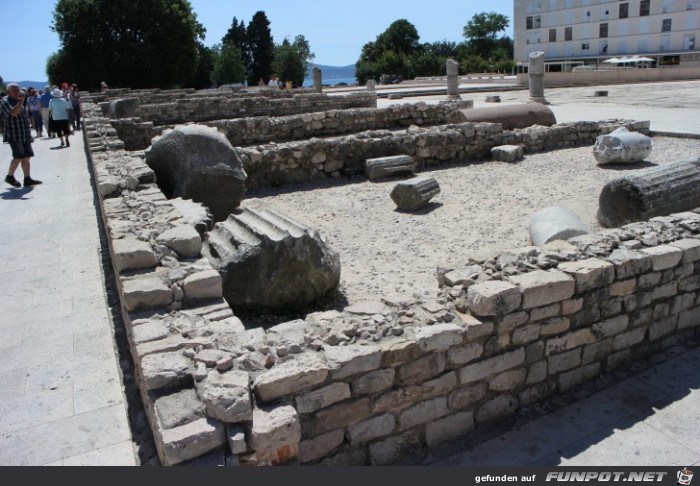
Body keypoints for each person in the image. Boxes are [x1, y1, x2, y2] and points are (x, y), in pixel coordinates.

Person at [1, 83, 42, 188]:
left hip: (24, 134)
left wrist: (29, 134)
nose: (17, 92)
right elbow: (14, 113)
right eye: (14, 90)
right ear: (8, 92)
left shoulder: (18, 101)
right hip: (14, 134)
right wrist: (21, 101)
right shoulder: (5, 102)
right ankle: (9, 176)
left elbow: (24, 118)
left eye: (17, 90)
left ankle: (27, 178)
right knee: (18, 157)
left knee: (27, 157)